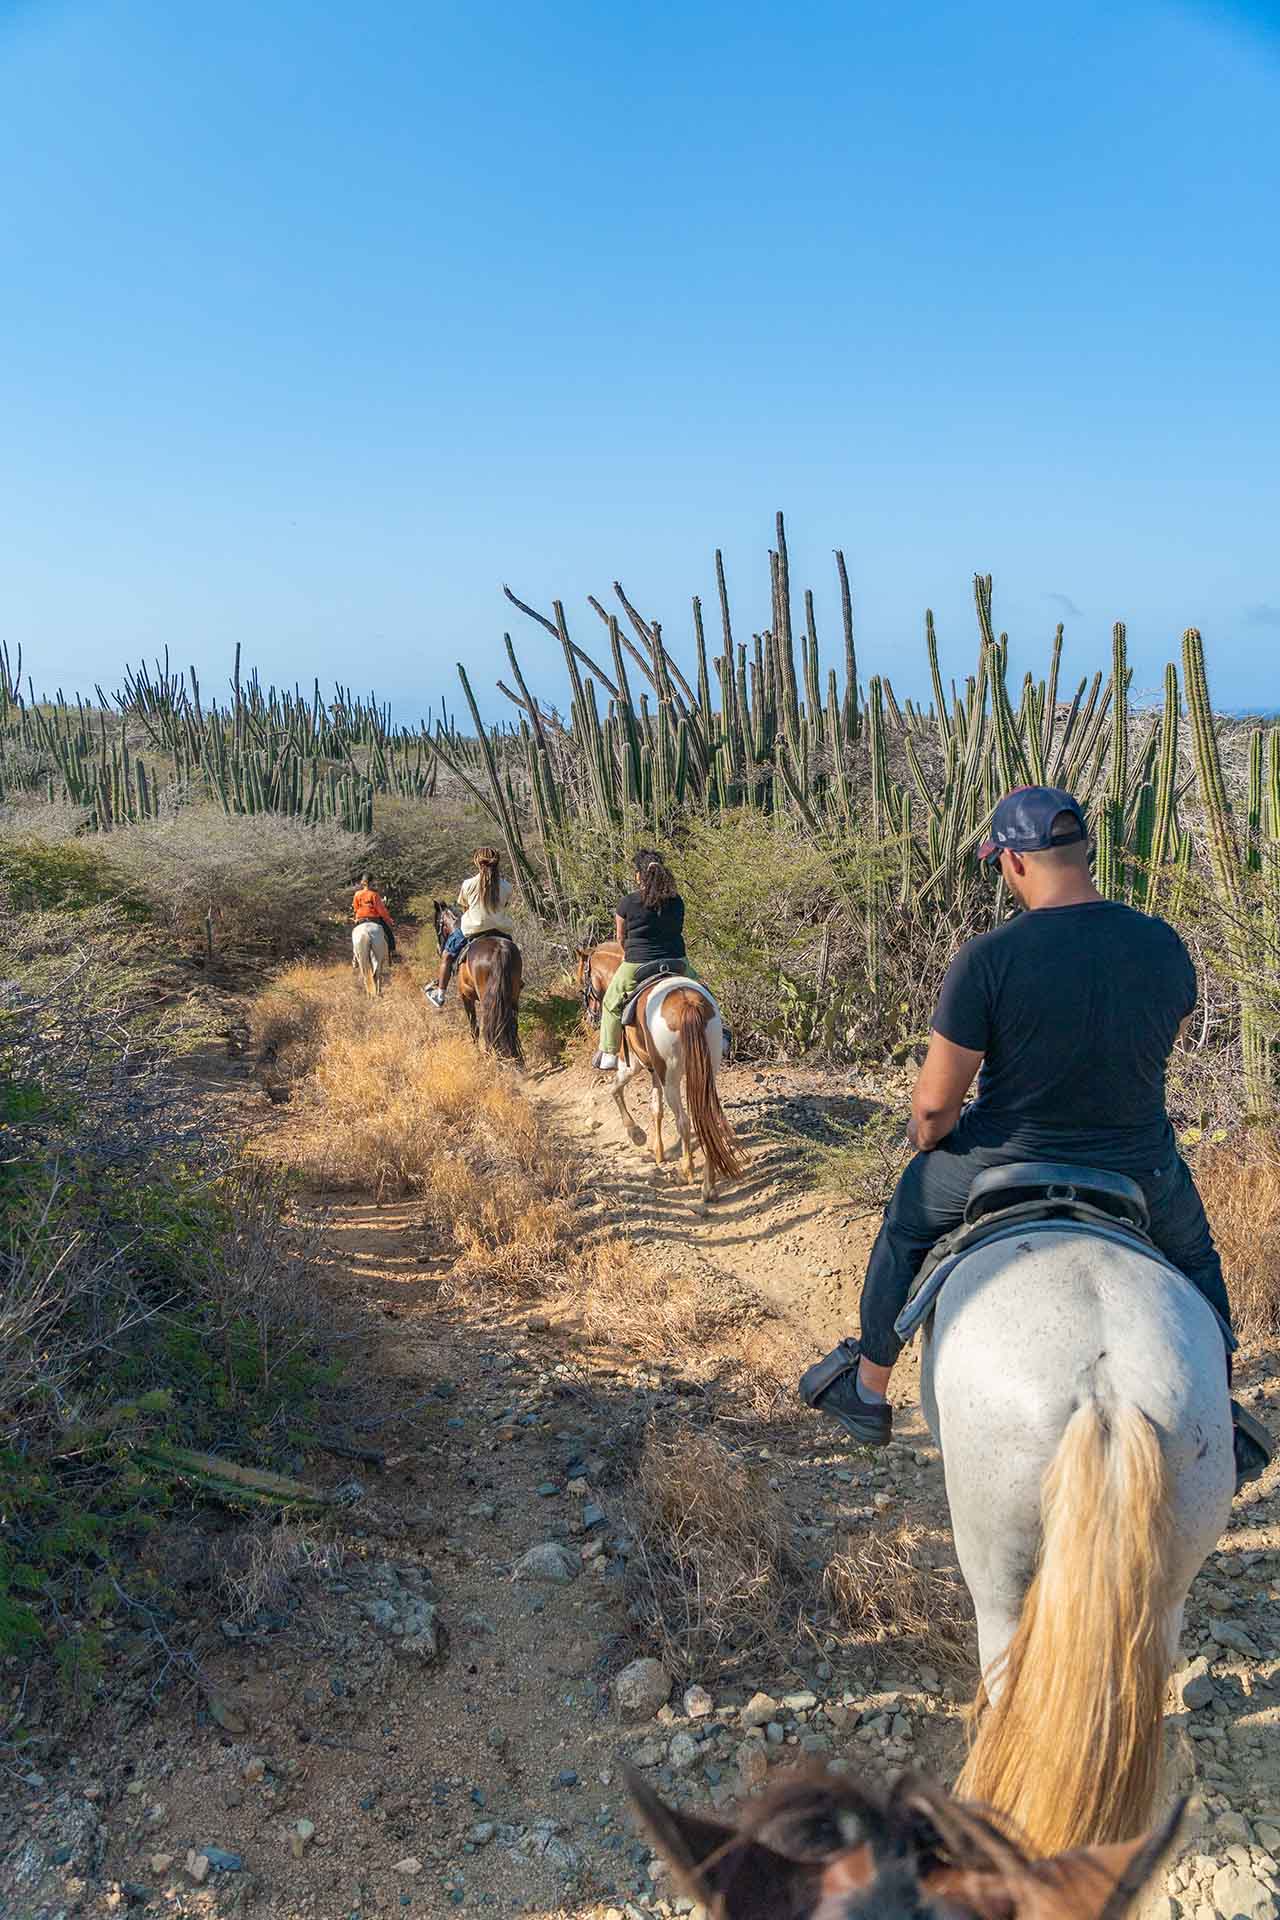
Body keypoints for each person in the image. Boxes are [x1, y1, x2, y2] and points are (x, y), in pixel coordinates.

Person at [799, 783, 1273, 1489]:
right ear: (1082, 852)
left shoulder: (989, 959)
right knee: (1196, 1259)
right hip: (1136, 1162)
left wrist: (929, 1138)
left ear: (1013, 863)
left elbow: (933, 1108)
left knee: (905, 1223)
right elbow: (1155, 1043)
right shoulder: (1162, 945)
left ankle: (868, 1389)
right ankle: (1221, 1419)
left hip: (1001, 1156)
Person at [595, 850, 699, 1071]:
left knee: (611, 1002)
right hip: (677, 961)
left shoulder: (628, 902)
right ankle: (722, 1033)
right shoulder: (677, 901)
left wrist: (627, 952)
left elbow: (620, 937)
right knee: (702, 990)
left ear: (638, 876)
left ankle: (609, 1052)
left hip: (638, 963)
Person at [425, 846, 514, 1008]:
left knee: (447, 955)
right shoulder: (507, 886)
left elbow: (465, 908)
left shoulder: (468, 884)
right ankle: (517, 980)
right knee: (513, 951)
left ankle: (440, 995)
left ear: (477, 863)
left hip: (473, 929)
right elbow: (504, 906)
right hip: (501, 930)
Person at [351, 874, 396, 958]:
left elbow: (356, 908)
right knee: (389, 934)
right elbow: (381, 910)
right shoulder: (374, 895)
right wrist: (389, 920)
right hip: (374, 919)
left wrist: (357, 917)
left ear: (362, 882)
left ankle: (355, 957)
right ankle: (393, 952)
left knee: (354, 934)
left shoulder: (357, 894)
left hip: (361, 920)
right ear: (371, 882)